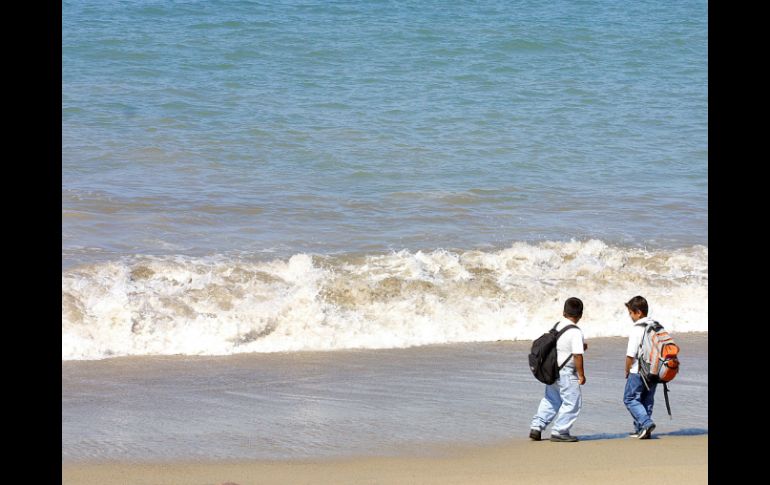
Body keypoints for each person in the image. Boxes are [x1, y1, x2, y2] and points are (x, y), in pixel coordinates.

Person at [529, 297, 587, 442]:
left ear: (563, 312)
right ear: (580, 315)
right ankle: (560, 431)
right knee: (573, 402)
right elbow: (577, 355)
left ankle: (536, 427)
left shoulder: (557, 326)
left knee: (551, 400)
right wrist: (581, 375)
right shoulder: (575, 332)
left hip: (553, 370)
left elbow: (560, 346)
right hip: (567, 372)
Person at [623, 295, 657, 439]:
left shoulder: (637, 328)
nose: (630, 316)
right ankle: (642, 430)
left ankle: (646, 423)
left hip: (638, 370)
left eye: (630, 312)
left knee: (630, 398)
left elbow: (631, 354)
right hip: (655, 369)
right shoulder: (656, 325)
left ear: (638, 312)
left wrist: (627, 370)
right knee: (646, 400)